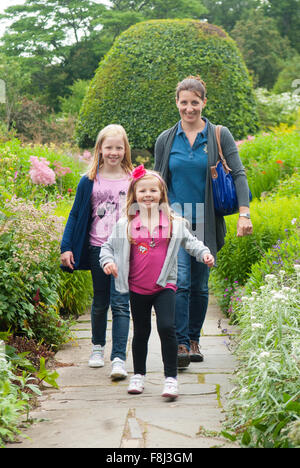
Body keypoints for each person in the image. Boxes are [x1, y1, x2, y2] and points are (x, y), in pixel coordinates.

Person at [154, 76, 253, 368]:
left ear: (203, 102)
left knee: (199, 285)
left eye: (194, 102)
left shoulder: (219, 135)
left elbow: (239, 174)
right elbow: (159, 181)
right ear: (177, 103)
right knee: (181, 282)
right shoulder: (166, 139)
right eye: (184, 102)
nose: (189, 108)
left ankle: (194, 339)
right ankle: (182, 344)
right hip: (177, 223)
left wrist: (244, 214)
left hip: (206, 220)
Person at [100, 165, 214, 399]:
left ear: (162, 194)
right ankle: (139, 375)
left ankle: (170, 378)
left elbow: (192, 243)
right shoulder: (126, 224)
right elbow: (107, 248)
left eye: (153, 190)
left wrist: (204, 254)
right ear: (134, 195)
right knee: (141, 332)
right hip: (137, 287)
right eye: (143, 191)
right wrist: (108, 262)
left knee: (166, 328)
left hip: (165, 286)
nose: (148, 195)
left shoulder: (174, 223)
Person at [60, 124, 133, 380]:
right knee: (100, 301)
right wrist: (66, 247)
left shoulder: (134, 178)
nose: (114, 152)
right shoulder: (89, 180)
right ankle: (97, 347)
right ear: (100, 149)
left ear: (125, 149)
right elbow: (76, 214)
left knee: (121, 304)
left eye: (119, 147)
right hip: (96, 247)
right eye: (109, 147)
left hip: (125, 250)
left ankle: (119, 359)